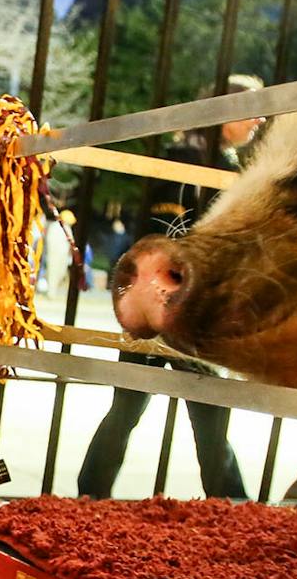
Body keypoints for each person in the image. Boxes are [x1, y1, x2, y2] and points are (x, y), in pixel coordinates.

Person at [75, 74, 263, 501]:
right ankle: (230, 503)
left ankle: (91, 493)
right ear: (223, 111)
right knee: (200, 417)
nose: (260, 118)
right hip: (176, 310)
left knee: (152, 413)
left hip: (182, 310)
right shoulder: (183, 162)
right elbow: (162, 237)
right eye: (251, 107)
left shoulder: (227, 166)